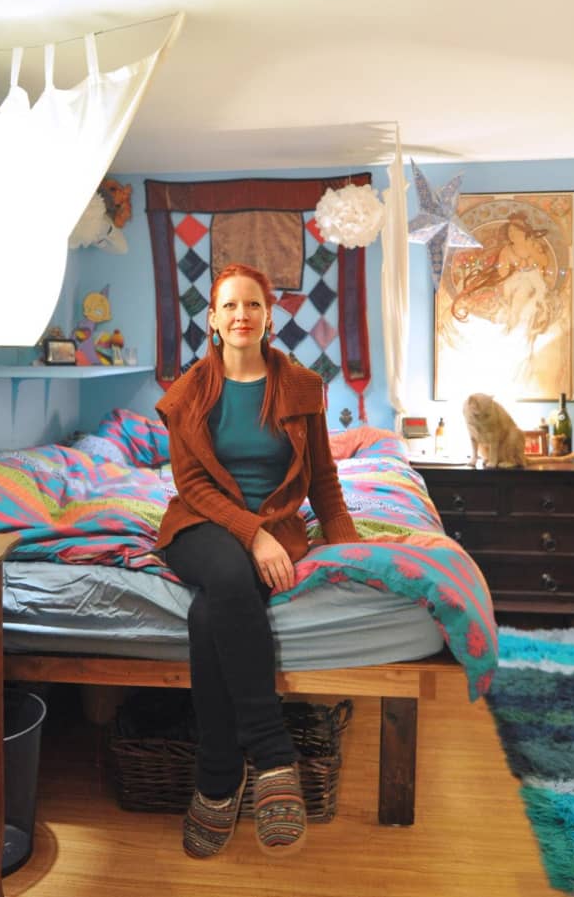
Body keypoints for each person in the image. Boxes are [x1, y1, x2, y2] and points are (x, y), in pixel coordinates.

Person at [155, 262, 360, 859]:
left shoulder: (300, 386)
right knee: (224, 570)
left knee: (207, 615)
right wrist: (253, 536)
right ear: (212, 319)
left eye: (252, 305)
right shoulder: (189, 393)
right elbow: (193, 487)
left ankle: (218, 777)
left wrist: (347, 548)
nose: (241, 315)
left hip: (276, 526)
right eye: (229, 306)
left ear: (269, 316)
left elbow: (323, 480)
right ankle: (272, 755)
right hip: (199, 525)